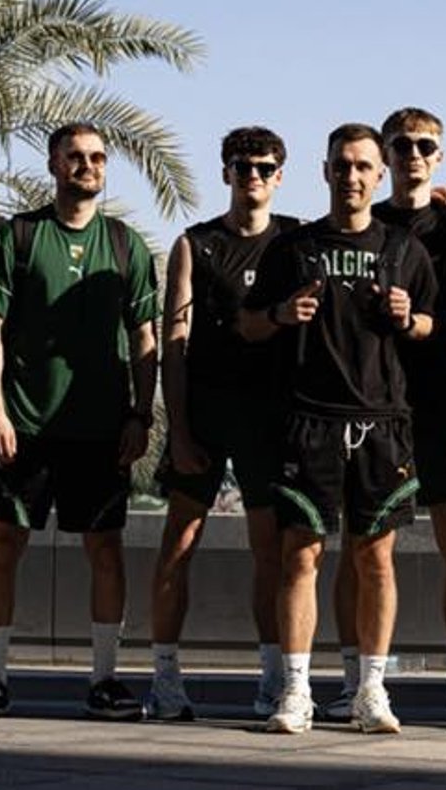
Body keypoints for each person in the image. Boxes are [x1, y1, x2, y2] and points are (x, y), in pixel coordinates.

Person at [240, 122, 438, 736]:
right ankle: (296, 690)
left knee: (374, 559)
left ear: (379, 174)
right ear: (325, 171)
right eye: (341, 165)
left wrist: (408, 317)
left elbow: (432, 326)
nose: (351, 176)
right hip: (309, 420)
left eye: (362, 166)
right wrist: (280, 313)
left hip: (382, 422)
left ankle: (370, 689)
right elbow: (248, 324)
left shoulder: (404, 248)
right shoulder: (293, 248)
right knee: (300, 555)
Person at [0, 122, 160, 720]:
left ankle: (105, 679)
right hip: (26, 425)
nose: (88, 166)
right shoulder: (21, 236)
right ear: (54, 164)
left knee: (105, 549)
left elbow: (145, 338)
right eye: (76, 157)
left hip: (101, 428)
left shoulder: (125, 244)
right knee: (4, 543)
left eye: (98, 158)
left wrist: (141, 414)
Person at [145, 127, 298, 721]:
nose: (252, 176)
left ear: (279, 174)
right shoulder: (195, 244)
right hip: (206, 411)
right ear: (226, 172)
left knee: (271, 551)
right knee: (178, 543)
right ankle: (164, 677)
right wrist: (179, 429)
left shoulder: (295, 240)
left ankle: (273, 678)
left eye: (263, 166)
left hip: (269, 416)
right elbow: (174, 343)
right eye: (241, 166)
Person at [370, 107, 446, 718]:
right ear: (385, 154)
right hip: (374, 404)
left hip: (441, 404)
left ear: (440, 155)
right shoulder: (364, 223)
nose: (413, 154)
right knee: (369, 550)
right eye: (402, 144)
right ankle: (362, 681)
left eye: (425, 145)